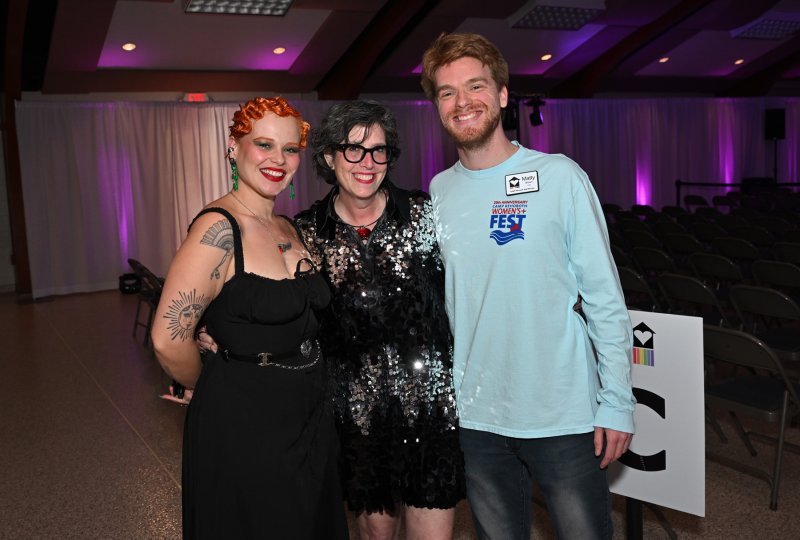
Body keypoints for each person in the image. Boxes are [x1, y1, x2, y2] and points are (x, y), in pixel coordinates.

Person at [199, 100, 465, 540]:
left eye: (378, 150)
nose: (367, 163)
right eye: (353, 150)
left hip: (431, 413)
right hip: (356, 421)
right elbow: (265, 297)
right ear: (328, 156)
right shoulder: (304, 233)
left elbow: (476, 284)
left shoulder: (427, 215)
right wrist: (212, 331)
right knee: (375, 535)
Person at [420, 33, 636, 540]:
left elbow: (605, 299)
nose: (462, 101)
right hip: (477, 415)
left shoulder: (559, 177)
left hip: (562, 412)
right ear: (437, 107)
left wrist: (617, 400)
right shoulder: (439, 189)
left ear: (501, 94)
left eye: (475, 86)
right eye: (447, 92)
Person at [151, 96, 348, 539]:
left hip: (309, 415)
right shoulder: (218, 228)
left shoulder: (287, 227)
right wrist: (211, 382)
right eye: (264, 144)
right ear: (233, 147)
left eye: (290, 149)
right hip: (246, 423)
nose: (278, 160)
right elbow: (167, 337)